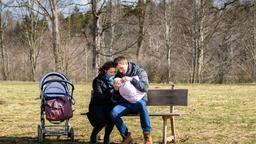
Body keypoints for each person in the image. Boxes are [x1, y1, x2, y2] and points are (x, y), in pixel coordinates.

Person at [110, 56, 153, 144]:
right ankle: (126, 136)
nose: (120, 71)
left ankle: (147, 135)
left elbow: (144, 88)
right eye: (118, 69)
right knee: (113, 113)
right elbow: (115, 97)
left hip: (138, 102)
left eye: (121, 68)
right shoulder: (118, 75)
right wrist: (116, 90)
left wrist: (132, 80)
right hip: (125, 103)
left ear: (126, 64)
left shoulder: (139, 71)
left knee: (142, 104)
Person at [87, 61, 116, 144]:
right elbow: (99, 96)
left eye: (114, 72)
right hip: (97, 105)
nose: (113, 74)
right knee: (101, 121)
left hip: (109, 104)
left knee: (112, 118)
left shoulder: (116, 80)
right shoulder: (97, 81)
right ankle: (94, 134)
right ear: (105, 71)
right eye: (111, 72)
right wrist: (112, 91)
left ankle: (106, 137)